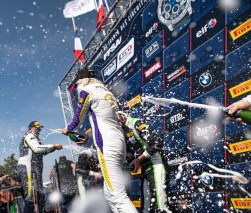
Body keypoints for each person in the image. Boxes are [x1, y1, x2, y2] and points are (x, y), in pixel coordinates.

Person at [61, 67, 138, 213]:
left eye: (78, 82)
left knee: (117, 196)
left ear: (82, 80)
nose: (77, 86)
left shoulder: (87, 91)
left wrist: (67, 129)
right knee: (110, 195)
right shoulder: (106, 91)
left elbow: (77, 119)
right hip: (119, 143)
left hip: (107, 145)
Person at [119, 113, 170, 213]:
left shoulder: (135, 123)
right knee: (146, 207)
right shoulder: (122, 131)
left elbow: (156, 143)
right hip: (144, 169)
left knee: (160, 205)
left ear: (121, 114)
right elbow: (130, 155)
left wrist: (138, 159)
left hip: (156, 165)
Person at [17, 121, 62, 213]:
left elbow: (43, 151)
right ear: (31, 128)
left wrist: (53, 148)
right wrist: (53, 145)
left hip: (34, 172)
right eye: (37, 128)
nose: (39, 130)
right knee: (31, 198)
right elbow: (37, 149)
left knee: (40, 197)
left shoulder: (35, 139)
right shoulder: (29, 136)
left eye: (40, 128)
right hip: (28, 170)